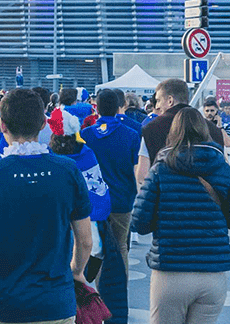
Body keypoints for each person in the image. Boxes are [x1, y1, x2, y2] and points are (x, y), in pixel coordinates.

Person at [0, 89, 94, 324]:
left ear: (2, 125)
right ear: (43, 124)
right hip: (56, 302)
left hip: (5, 304)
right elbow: (85, 240)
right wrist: (76, 271)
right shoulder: (67, 170)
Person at [133, 106, 230, 324]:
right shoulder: (221, 167)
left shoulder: (161, 168)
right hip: (213, 272)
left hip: (170, 271)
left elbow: (140, 222)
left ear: (173, 132)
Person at [80, 88, 141, 323]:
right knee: (120, 249)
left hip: (92, 204)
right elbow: (136, 170)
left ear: (95, 106)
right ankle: (117, 295)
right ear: (119, 107)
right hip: (122, 200)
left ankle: (93, 295)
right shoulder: (131, 134)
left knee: (93, 248)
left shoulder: (86, 134)